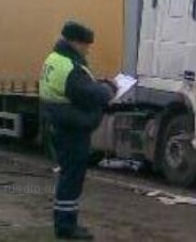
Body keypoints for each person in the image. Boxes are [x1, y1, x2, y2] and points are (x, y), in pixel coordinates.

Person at [39, 21, 117, 240]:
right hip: (71, 129)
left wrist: (99, 84)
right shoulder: (69, 67)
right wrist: (109, 89)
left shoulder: (55, 59)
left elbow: (81, 86)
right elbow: (89, 94)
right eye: (85, 45)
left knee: (68, 176)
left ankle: (65, 223)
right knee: (72, 178)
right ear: (74, 42)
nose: (87, 49)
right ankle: (66, 227)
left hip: (61, 125)